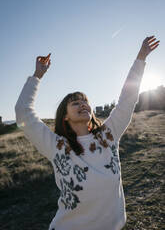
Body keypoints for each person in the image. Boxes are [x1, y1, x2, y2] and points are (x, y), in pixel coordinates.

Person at [15, 36, 159, 230]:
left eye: (85, 101)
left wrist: (141, 58)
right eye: (75, 103)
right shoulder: (56, 145)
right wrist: (37, 76)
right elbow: (23, 112)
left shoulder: (108, 135)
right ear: (64, 117)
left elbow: (127, 99)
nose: (83, 104)